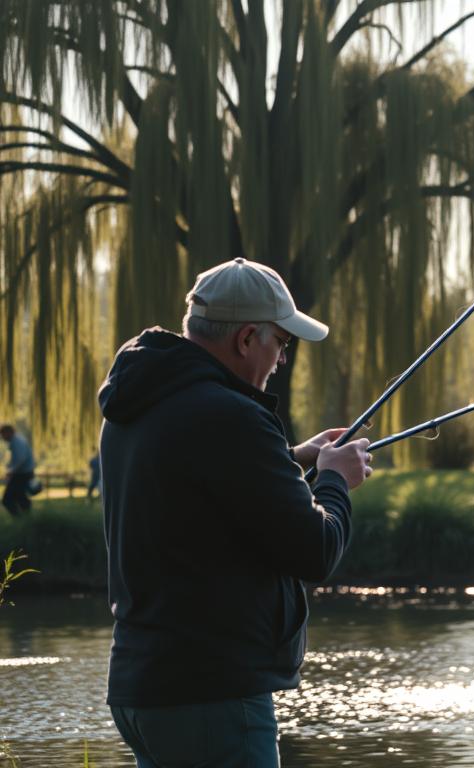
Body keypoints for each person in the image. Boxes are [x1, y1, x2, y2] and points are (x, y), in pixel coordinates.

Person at [99, 257, 373, 767]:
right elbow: (314, 550)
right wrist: (336, 480)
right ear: (247, 339)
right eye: (281, 343)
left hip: (144, 689)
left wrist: (296, 458)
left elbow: (198, 487)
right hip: (212, 695)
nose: (282, 359)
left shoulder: (137, 404)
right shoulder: (233, 416)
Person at [1, 424, 37, 517]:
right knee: (21, 497)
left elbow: (21, 458)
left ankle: (20, 519)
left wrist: (11, 470)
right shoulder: (16, 441)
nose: (2, 437)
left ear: (8, 432)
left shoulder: (17, 442)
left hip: (21, 475)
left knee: (7, 499)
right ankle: (26, 520)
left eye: (2, 434)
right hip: (23, 473)